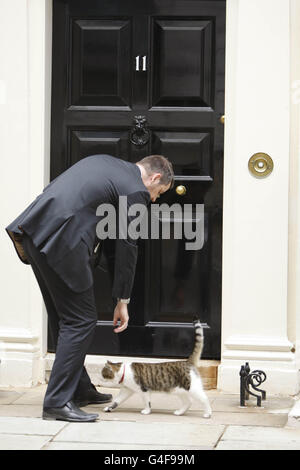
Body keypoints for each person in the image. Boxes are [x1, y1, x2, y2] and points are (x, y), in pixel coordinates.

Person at [5, 154, 174, 422]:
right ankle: (57, 403)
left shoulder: (106, 164)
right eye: (159, 192)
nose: (154, 199)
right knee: (80, 320)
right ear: (154, 178)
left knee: (65, 320)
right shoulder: (135, 189)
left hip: (34, 231)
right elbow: (127, 245)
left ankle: (80, 389)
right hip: (62, 240)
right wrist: (123, 300)